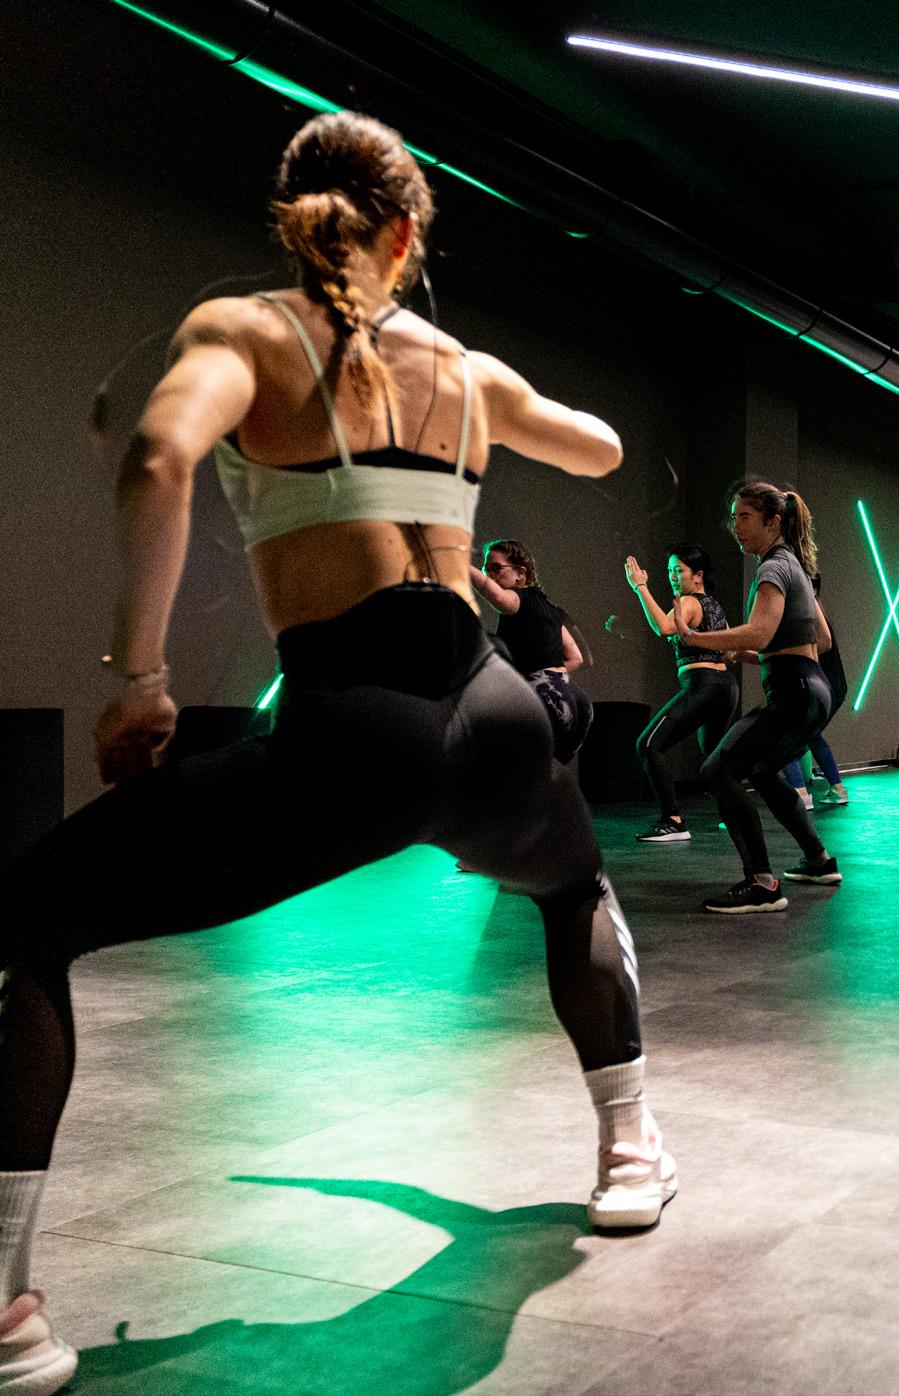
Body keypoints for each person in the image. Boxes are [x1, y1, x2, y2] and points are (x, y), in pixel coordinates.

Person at [0, 111, 677, 1392]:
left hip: (357, 726)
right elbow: (599, 446)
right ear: (407, 234)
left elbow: (157, 459)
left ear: (293, 223)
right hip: (497, 714)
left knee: (28, 920)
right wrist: (481, 400)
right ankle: (630, 1153)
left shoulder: (246, 331)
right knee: (571, 887)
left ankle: (4, 1315)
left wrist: (141, 681)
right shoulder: (464, 371)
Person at [676, 482, 840, 911]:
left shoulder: (773, 568)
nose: (736, 527)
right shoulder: (794, 565)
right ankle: (819, 861)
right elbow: (820, 640)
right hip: (812, 689)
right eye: (734, 517)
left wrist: (697, 637)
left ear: (774, 522)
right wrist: (748, 652)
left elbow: (762, 632)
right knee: (764, 773)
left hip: (794, 691)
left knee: (717, 770)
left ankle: (762, 882)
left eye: (745, 517)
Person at [624, 544, 739, 841]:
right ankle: (735, 814)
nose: (673, 577)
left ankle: (673, 821)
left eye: (679, 570)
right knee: (713, 755)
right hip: (726, 687)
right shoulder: (714, 606)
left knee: (648, 744)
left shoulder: (688, 602)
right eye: (670, 571)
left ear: (697, 576)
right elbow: (730, 651)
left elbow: (664, 628)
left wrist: (640, 587)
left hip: (703, 685)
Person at [470, 539, 592, 763]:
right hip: (575, 701)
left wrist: (457, 564)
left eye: (496, 568)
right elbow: (576, 658)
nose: (489, 575)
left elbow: (497, 596)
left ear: (520, 574)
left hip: (547, 698)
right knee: (545, 772)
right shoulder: (549, 608)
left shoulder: (519, 599)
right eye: (486, 569)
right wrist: (551, 677)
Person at [783, 574, 850, 808]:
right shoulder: (818, 610)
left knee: (785, 740)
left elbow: (820, 646)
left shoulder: (807, 613)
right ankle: (837, 788)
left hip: (817, 687)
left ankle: (800, 795)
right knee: (811, 735)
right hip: (832, 688)